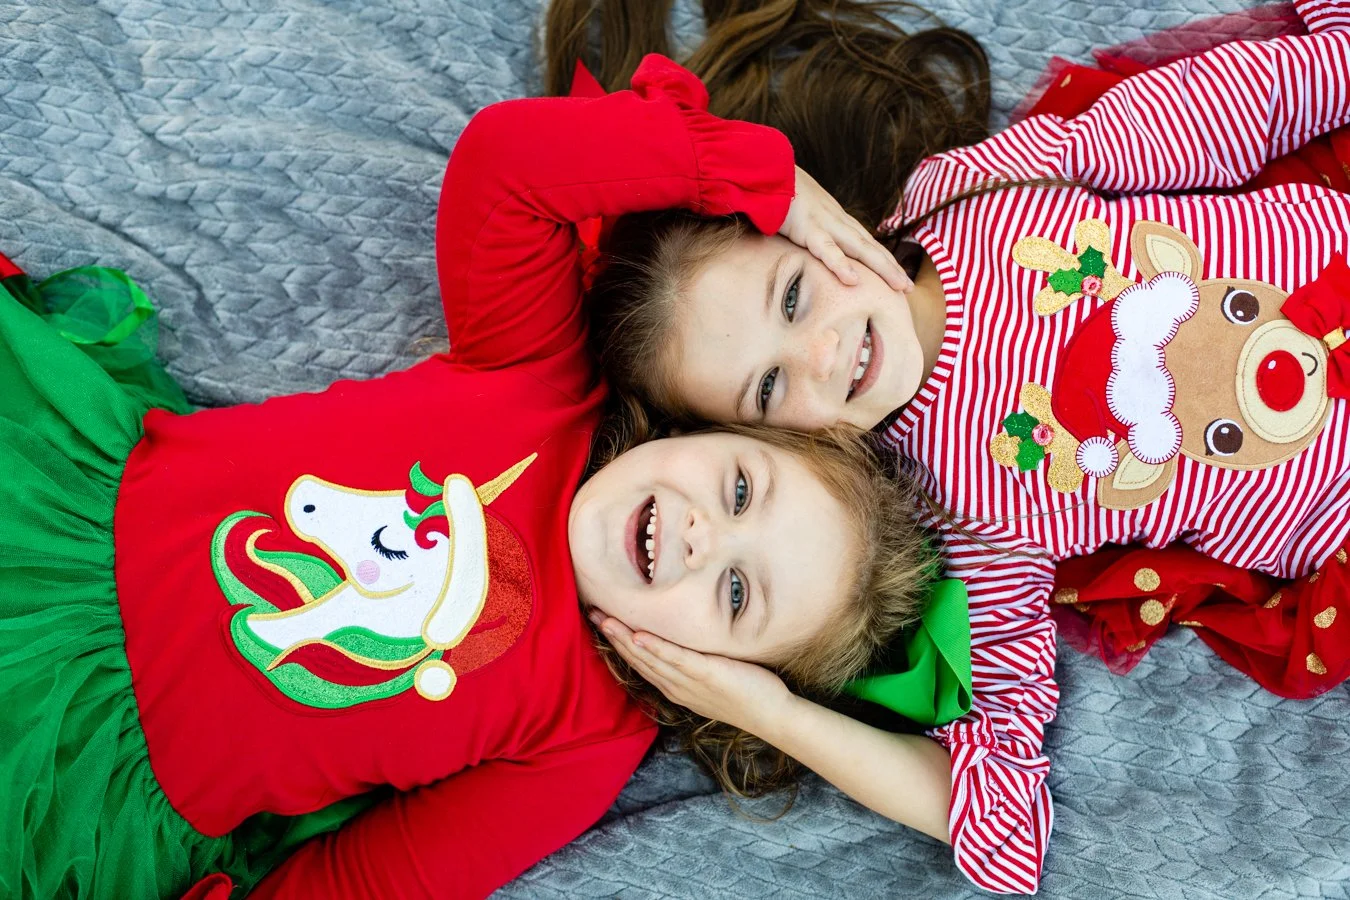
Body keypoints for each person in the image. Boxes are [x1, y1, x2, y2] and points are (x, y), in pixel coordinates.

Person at [0, 60, 932, 899]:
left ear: (718, 676)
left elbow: (379, 878)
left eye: (736, 593)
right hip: (51, 511)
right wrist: (755, 178)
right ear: (710, 427)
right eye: (738, 489)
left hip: (80, 776)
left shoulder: (588, 742)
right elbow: (507, 167)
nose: (702, 537)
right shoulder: (543, 379)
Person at [548, 0, 1350, 892]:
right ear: (763, 442)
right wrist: (768, 712)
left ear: (809, 224)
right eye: (771, 390)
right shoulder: (959, 518)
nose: (823, 353)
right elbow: (1004, 834)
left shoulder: (972, 193)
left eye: (792, 296)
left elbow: (1206, 117)